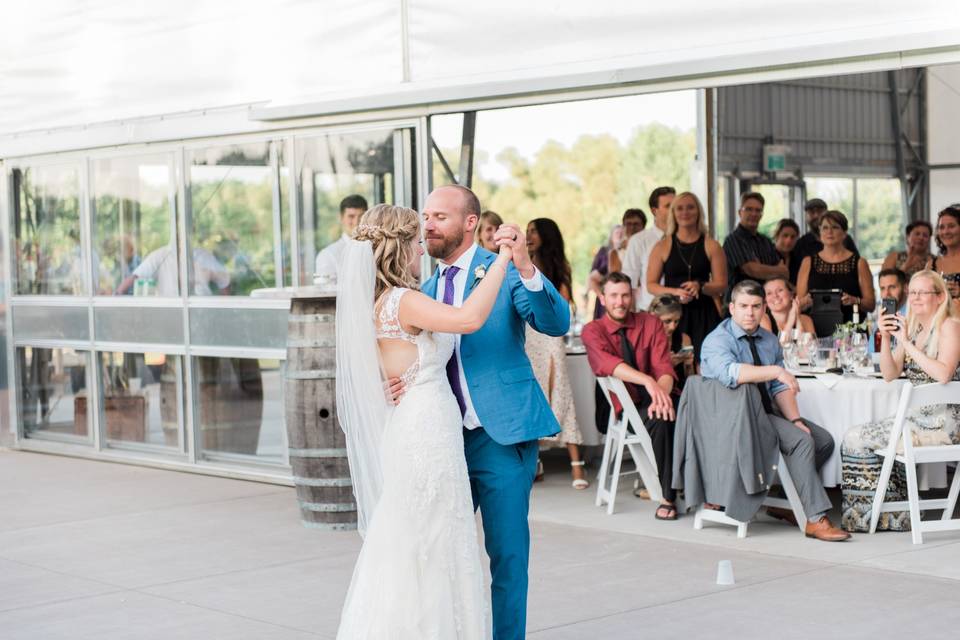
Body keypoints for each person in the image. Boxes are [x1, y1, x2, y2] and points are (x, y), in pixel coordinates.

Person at [334, 202, 515, 638]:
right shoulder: (404, 300)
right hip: (426, 433)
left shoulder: (374, 304)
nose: (422, 248)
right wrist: (504, 258)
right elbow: (469, 319)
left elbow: (379, 369)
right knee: (434, 543)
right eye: (416, 240)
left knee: (416, 542)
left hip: (411, 428)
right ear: (400, 248)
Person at [423, 185, 569, 640]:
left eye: (440, 217)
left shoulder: (501, 270)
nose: (429, 224)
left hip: (501, 436)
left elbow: (554, 322)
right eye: (426, 216)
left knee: (507, 557)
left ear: (470, 222)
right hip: (443, 439)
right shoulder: (424, 289)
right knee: (442, 554)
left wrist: (524, 264)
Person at [700, 280, 851, 541]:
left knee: (823, 440)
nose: (750, 312)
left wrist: (794, 418)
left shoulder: (768, 340)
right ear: (732, 308)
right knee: (802, 442)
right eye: (744, 306)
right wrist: (776, 371)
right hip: (737, 419)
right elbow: (731, 373)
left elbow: (777, 388)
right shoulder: (717, 340)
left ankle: (785, 499)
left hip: (766, 411)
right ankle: (815, 519)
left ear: (763, 309)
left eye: (756, 306)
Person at [840, 270, 960, 532]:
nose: (914, 298)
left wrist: (906, 342)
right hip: (916, 422)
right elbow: (889, 374)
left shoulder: (950, 325)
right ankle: (889, 515)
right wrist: (886, 338)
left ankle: (882, 516)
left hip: (944, 427)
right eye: (912, 292)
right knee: (854, 435)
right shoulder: (916, 328)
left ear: (939, 297)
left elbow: (943, 374)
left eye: (922, 292)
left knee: (854, 437)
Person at [581, 272, 679, 519]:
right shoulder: (593, 330)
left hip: (660, 395)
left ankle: (711, 491)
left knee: (694, 412)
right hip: (627, 407)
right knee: (663, 419)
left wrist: (661, 394)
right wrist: (647, 381)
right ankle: (669, 496)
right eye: (613, 296)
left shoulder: (650, 323)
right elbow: (607, 363)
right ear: (602, 298)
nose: (620, 302)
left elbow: (664, 368)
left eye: (625, 295)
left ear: (632, 296)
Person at [525, 217, 587, 489]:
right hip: (528, 333)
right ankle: (534, 459)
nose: (529, 236)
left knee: (560, 387)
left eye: (533, 232)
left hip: (549, 333)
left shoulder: (557, 265)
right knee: (534, 389)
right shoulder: (522, 262)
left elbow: (562, 302)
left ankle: (576, 464)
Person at [646, 191, 726, 362]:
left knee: (707, 362)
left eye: (690, 207)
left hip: (704, 313)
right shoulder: (662, 246)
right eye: (680, 208)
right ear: (673, 214)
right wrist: (675, 292)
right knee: (676, 363)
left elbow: (722, 284)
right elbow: (651, 285)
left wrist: (701, 286)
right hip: (673, 314)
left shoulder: (712, 245)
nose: (685, 212)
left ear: (698, 212)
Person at [796, 210, 875, 325]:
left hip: (851, 331)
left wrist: (854, 300)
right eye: (825, 228)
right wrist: (807, 301)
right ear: (820, 232)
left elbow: (871, 305)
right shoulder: (808, 262)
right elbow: (798, 305)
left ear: (844, 233)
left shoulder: (859, 263)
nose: (829, 232)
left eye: (835, 227)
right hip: (814, 330)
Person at [622, 186, 676, 311]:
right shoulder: (639, 241)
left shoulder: (684, 239)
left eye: (675, 205)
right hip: (649, 312)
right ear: (654, 210)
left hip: (680, 313)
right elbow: (629, 284)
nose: (674, 210)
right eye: (668, 206)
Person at [723, 192, 787, 290]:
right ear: (740, 212)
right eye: (749, 209)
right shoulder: (733, 240)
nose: (754, 214)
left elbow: (784, 272)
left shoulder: (765, 241)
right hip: (741, 300)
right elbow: (752, 270)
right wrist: (774, 270)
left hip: (766, 299)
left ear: (762, 215)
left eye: (758, 210)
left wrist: (761, 268)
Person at [114, 244, 230, 296]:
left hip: (198, 309)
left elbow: (223, 282)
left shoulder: (203, 255)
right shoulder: (160, 256)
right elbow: (134, 277)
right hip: (172, 311)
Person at [314, 194, 368, 281]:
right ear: (341, 218)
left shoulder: (376, 250)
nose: (356, 222)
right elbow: (327, 292)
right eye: (351, 216)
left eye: (362, 216)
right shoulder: (328, 255)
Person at [648, 293, 694, 393]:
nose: (673, 326)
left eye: (676, 321)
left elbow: (690, 380)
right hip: (654, 395)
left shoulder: (684, 339)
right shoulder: (646, 340)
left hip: (681, 393)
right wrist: (666, 366)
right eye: (667, 321)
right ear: (653, 318)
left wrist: (688, 365)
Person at [793, 197, 859, 262]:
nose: (816, 215)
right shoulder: (801, 244)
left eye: (820, 211)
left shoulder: (844, 239)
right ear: (806, 216)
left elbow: (856, 263)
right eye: (812, 212)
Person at [760, 276, 815, 343]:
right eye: (769, 293)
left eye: (780, 290)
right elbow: (773, 350)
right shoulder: (762, 319)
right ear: (765, 300)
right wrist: (791, 320)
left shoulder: (806, 320)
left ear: (791, 295)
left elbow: (809, 349)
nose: (775, 295)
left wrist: (797, 319)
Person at [587, 224, 625, 319]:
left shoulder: (627, 251)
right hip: (605, 295)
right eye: (617, 233)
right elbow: (592, 276)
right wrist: (602, 296)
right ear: (611, 235)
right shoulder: (604, 251)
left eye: (621, 233)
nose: (619, 235)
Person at [927, 206, 960, 307]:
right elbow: (925, 297)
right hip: (940, 320)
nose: (946, 232)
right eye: (941, 227)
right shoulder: (931, 264)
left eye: (951, 226)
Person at [773, 218, 802, 284]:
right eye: (785, 236)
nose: (788, 241)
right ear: (777, 236)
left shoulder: (798, 258)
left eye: (793, 237)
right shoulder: (768, 255)